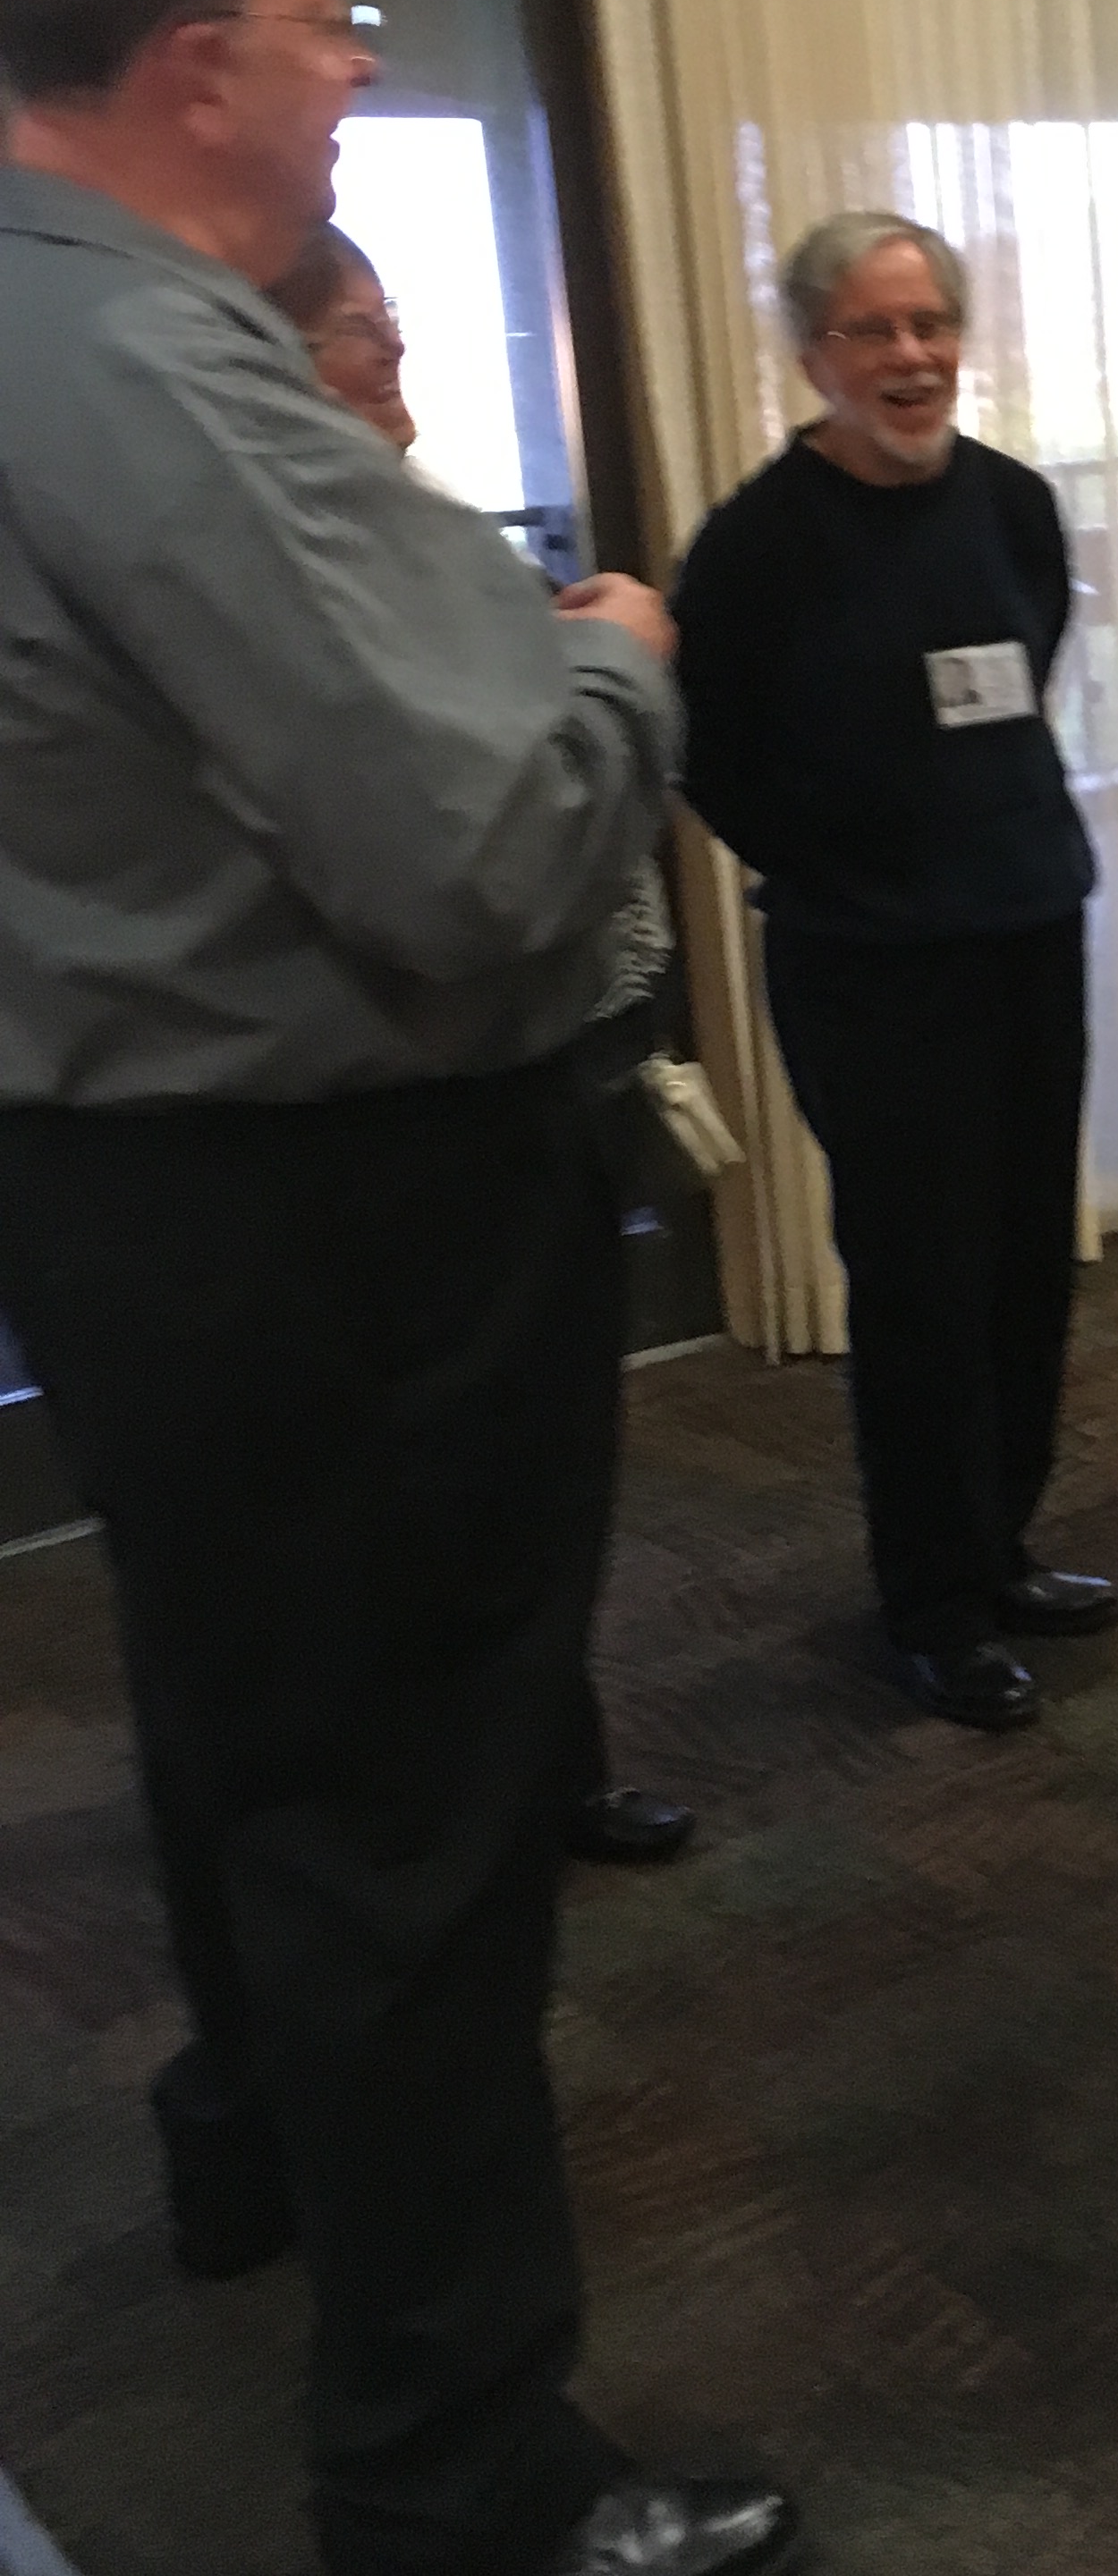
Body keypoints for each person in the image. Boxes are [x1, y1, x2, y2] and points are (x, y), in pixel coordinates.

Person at [0, 0, 797, 2576]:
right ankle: (461, 2489)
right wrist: (614, 660)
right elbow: (476, 853)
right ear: (196, 66)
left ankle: (255, 2159)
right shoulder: (164, 372)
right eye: (335, 22)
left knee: (246, 1741)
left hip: (125, 1184)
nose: (364, 72)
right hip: (327, 1215)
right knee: (418, 1830)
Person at [268, 220, 696, 1866]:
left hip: (548, 1050)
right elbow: (478, 824)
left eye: (391, 324)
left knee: (537, 1461)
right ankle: (477, 1799)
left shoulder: (423, 532)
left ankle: (549, 1768)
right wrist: (613, 666)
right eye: (358, 330)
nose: (394, 359)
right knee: (448, 1477)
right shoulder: (302, 563)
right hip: (426, 1091)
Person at [673, 210, 1110, 1736]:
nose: (912, 357)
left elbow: (1023, 670)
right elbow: (712, 755)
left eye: (931, 325)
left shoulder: (1013, 505)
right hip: (869, 966)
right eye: (875, 331)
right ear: (815, 355)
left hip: (1026, 922)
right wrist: (851, 861)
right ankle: (931, 1606)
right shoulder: (754, 546)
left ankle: (1003, 1547)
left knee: (1023, 1263)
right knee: (921, 1284)